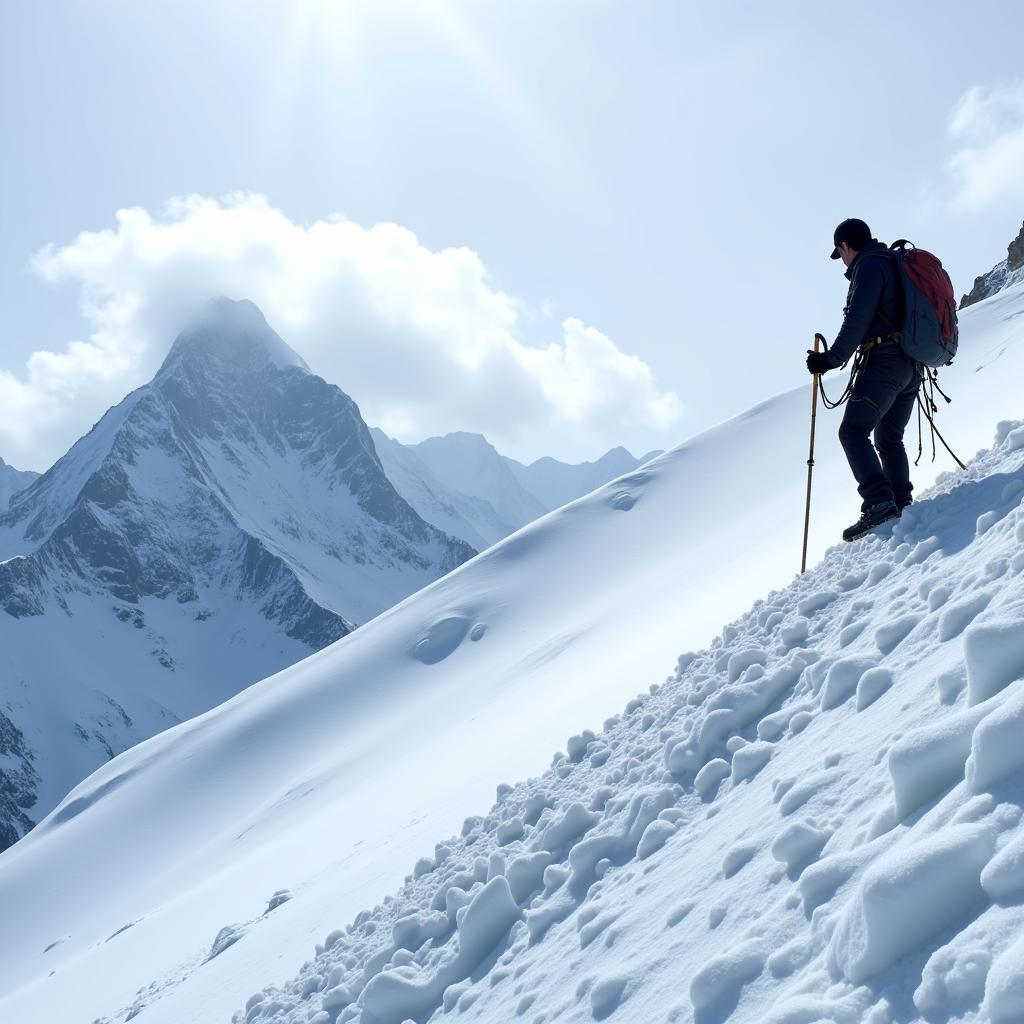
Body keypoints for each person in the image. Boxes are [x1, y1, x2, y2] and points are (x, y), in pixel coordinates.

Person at [806, 218, 921, 542]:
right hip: (911, 363)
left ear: (845, 246)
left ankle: (879, 502)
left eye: (840, 253)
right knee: (888, 438)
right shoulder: (890, 261)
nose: (841, 259)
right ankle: (900, 501)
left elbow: (859, 318)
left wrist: (830, 359)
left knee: (853, 431)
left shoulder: (868, 266)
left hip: (884, 363)